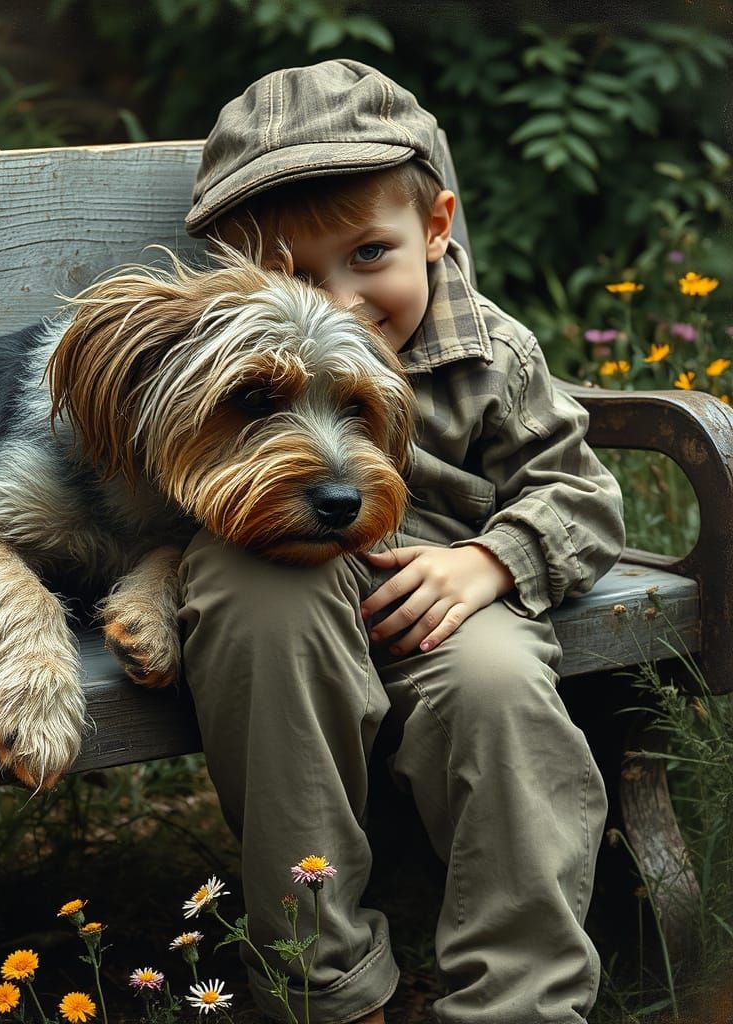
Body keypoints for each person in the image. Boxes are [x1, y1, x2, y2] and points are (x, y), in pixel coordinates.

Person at [176, 59, 625, 1024]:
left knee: (500, 690)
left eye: (369, 255)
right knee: (255, 618)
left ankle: (520, 1000)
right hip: (280, 571)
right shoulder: (222, 366)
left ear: (435, 227)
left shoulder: (489, 357)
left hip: (443, 601)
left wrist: (490, 559)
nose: (340, 304)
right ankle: (325, 983)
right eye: (292, 275)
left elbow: (580, 495)